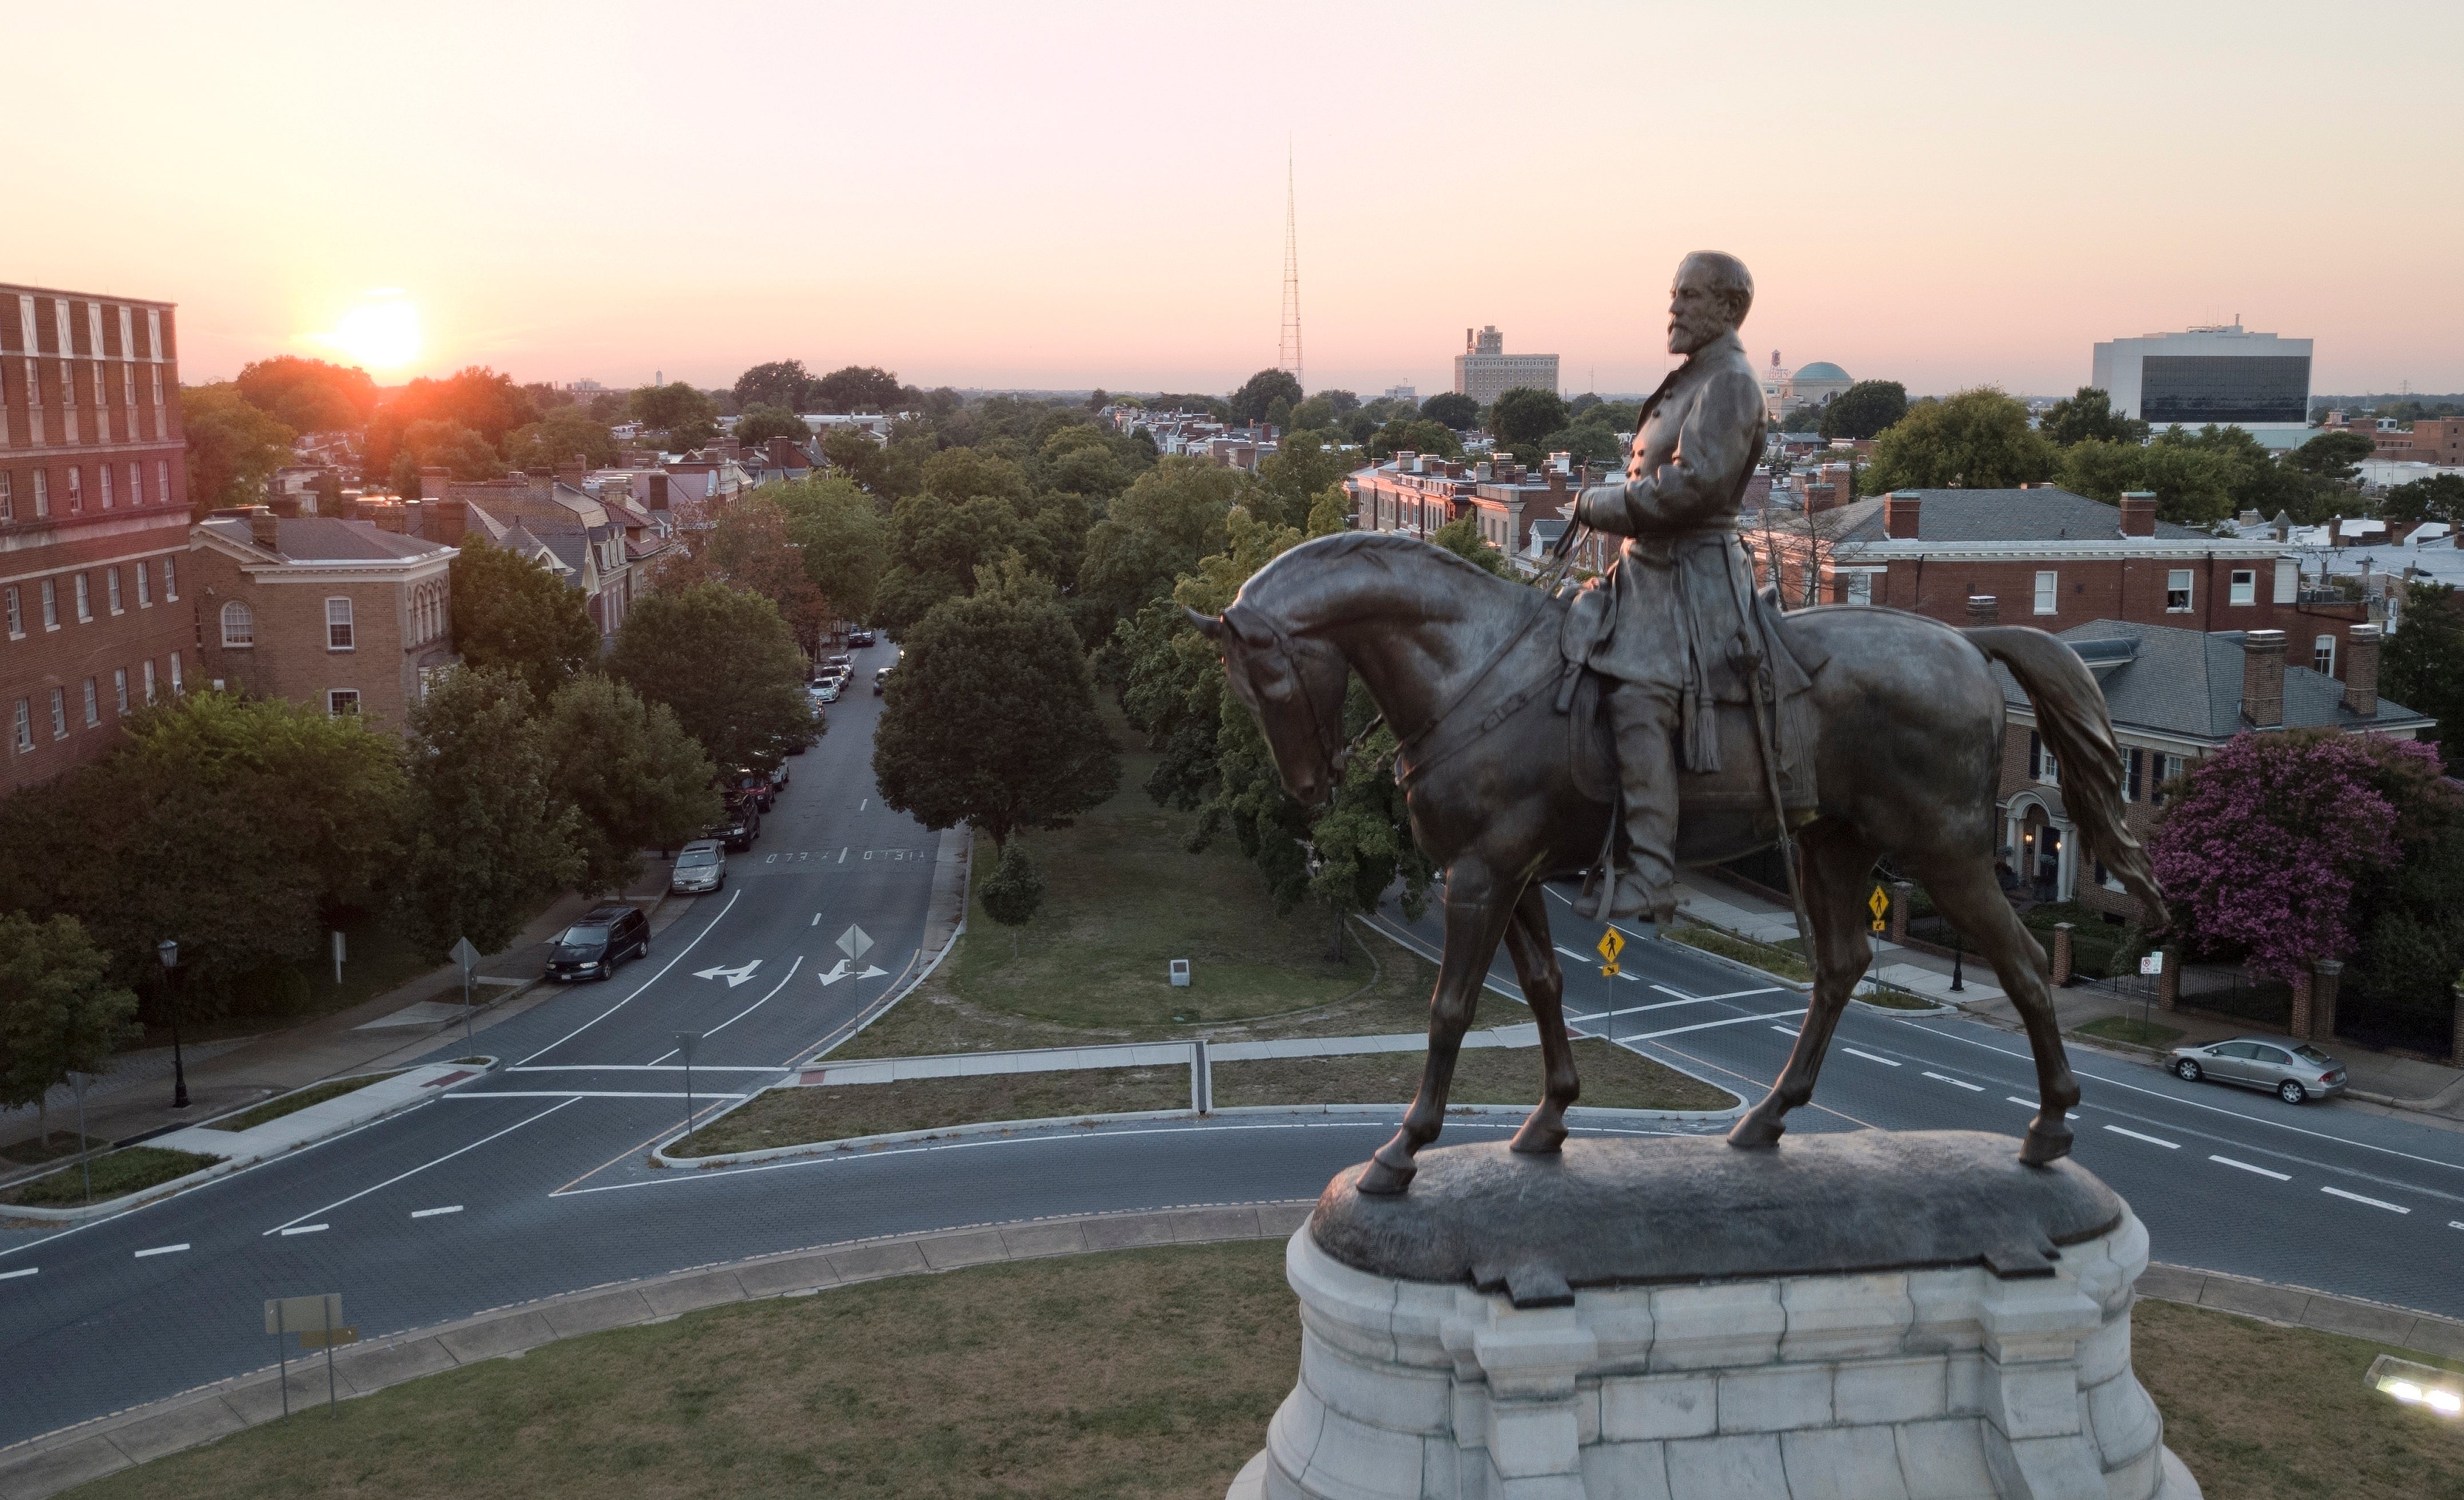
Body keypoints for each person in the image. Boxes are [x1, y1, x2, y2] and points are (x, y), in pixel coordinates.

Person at [1564, 251, 1774, 925]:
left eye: (1689, 295)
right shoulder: (1693, 379)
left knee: (1638, 698)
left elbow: (1692, 487)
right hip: (1648, 569)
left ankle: (1652, 872)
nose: (1674, 308)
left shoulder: (1732, 383)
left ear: (1728, 308)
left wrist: (1600, 503)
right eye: (1673, 294)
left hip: (1693, 581)